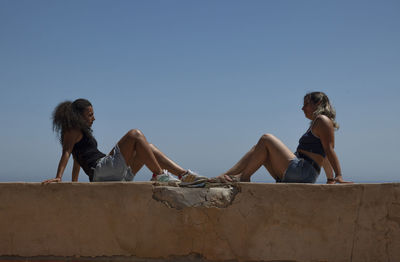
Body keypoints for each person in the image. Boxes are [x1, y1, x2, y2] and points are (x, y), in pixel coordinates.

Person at [42, 98, 206, 184]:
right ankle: (160, 176)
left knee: (148, 147)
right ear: (79, 116)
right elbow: (66, 153)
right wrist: (59, 177)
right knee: (134, 134)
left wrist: (74, 183)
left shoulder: (80, 133)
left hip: (110, 175)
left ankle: (183, 176)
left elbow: (77, 159)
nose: (94, 118)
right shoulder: (72, 130)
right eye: (90, 115)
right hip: (101, 171)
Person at [215, 92, 352, 184]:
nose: (302, 108)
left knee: (266, 138)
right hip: (301, 173)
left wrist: (338, 175)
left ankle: (243, 178)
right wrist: (329, 179)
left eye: (306, 104)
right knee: (258, 149)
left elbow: (329, 149)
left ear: (318, 104)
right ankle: (227, 175)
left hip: (302, 171)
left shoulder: (322, 120)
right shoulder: (316, 123)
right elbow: (324, 154)